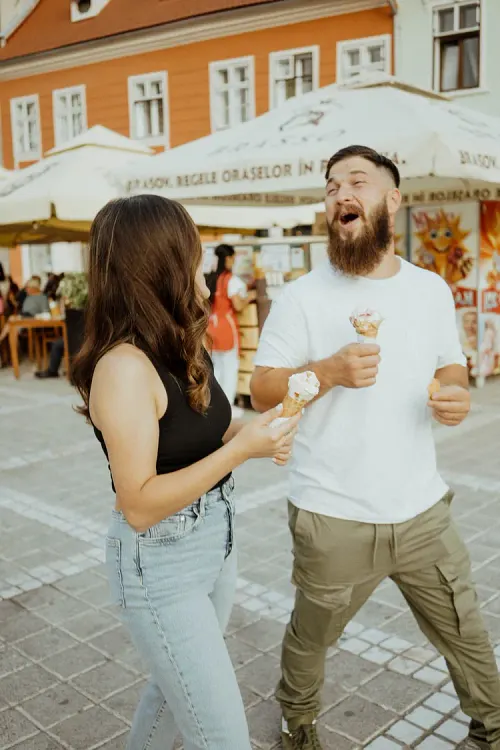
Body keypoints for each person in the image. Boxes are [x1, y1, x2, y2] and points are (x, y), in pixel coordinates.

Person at [250, 145, 500, 750]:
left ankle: (492, 728)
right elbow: (261, 390)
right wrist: (328, 372)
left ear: (392, 200)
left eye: (356, 182)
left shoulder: (430, 289)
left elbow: (450, 366)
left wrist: (455, 394)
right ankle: (297, 725)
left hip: (422, 512)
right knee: (311, 636)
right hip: (333, 515)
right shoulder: (303, 297)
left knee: (466, 631)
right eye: (332, 186)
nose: (341, 194)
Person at [71, 194, 300, 750]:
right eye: (194, 257)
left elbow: (203, 432)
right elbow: (139, 504)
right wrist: (241, 452)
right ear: (161, 264)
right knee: (224, 738)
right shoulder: (123, 368)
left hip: (214, 539)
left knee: (171, 695)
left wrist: (259, 429)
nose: (203, 271)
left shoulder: (178, 342)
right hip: (160, 562)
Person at [206, 244, 256, 411]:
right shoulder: (230, 280)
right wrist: (251, 296)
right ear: (228, 258)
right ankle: (227, 407)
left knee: (216, 368)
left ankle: (214, 406)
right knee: (230, 368)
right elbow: (238, 305)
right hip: (226, 328)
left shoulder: (211, 278)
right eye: (233, 258)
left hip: (211, 327)